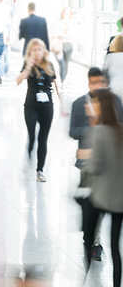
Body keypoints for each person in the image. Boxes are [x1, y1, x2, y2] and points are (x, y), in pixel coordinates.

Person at [71, 68, 123, 264]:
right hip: (87, 165)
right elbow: (74, 131)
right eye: (93, 83)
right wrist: (93, 129)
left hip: (110, 167)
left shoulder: (114, 102)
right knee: (90, 209)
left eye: (99, 82)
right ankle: (92, 241)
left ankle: (96, 243)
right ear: (88, 83)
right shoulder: (79, 103)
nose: (97, 86)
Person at [83, 89, 123, 287]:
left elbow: (95, 167)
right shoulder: (121, 129)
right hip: (120, 198)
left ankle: (85, 280)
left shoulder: (99, 132)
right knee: (116, 248)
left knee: (90, 238)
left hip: (101, 197)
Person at [16, 39, 63, 182]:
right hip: (31, 105)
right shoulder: (27, 65)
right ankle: (29, 157)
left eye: (40, 50)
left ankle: (40, 170)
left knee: (43, 138)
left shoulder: (49, 65)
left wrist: (63, 104)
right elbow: (18, 80)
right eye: (34, 50)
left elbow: (57, 84)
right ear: (30, 52)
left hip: (47, 106)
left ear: (44, 51)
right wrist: (29, 66)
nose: (37, 52)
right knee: (32, 135)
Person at [53, 7, 74, 84]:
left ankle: (63, 80)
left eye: (67, 12)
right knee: (62, 65)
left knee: (66, 64)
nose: (65, 13)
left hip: (68, 45)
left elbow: (72, 35)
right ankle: (62, 81)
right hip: (59, 46)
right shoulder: (58, 22)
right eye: (64, 11)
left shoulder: (71, 23)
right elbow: (55, 33)